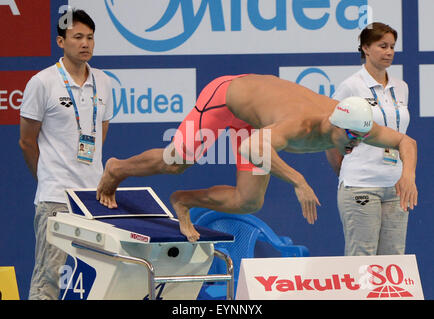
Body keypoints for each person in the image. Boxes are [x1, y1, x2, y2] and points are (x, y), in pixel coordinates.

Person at [97, 74, 417, 243]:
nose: (356, 143)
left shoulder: (354, 124)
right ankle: (116, 169)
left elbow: (406, 141)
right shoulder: (300, 125)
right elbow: (253, 148)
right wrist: (299, 181)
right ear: (334, 125)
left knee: (248, 201)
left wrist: (408, 176)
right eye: (350, 137)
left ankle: (183, 201)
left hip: (260, 120)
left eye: (361, 137)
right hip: (227, 97)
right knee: (177, 160)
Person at [19, 9, 113, 299]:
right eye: (77, 37)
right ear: (61, 41)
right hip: (56, 198)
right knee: (48, 280)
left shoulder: (104, 82)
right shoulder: (42, 82)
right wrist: (48, 177)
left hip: (94, 199)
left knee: (101, 279)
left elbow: (100, 134)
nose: (85, 43)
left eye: (90, 37)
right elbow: (26, 141)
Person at [325, 23, 413, 256]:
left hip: (395, 186)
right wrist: (347, 171)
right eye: (382, 46)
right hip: (361, 184)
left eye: (392, 46)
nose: (389, 52)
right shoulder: (351, 86)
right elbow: (331, 136)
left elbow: (401, 136)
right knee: (361, 260)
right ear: (365, 47)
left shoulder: (401, 87)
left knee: (394, 260)